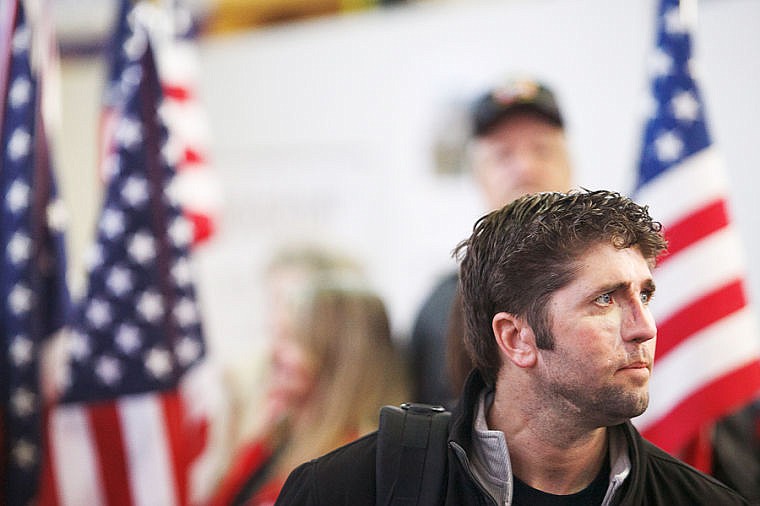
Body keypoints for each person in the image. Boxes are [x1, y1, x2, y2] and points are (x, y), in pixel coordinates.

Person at [275, 189, 748, 505]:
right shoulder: (346, 490)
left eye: (644, 295)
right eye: (605, 299)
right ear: (516, 338)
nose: (644, 328)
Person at [411, 77, 574, 406]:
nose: (525, 168)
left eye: (542, 150)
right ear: (478, 176)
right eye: (503, 155)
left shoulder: (624, 290)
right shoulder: (440, 312)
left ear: (569, 167)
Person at [210, 256, 409, 505]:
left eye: (293, 340)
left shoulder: (352, 467)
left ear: (337, 357)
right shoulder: (278, 434)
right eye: (278, 335)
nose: (274, 353)